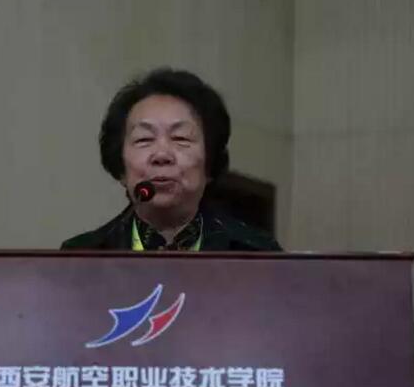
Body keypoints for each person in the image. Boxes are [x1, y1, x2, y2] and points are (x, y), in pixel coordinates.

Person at [60, 68, 281, 251]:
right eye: (144, 139)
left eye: (180, 138)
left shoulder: (258, 255)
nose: (162, 155)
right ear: (120, 167)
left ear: (210, 162)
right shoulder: (81, 258)